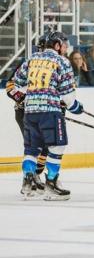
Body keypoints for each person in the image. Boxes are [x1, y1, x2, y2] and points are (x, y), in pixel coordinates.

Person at [12, 31, 84, 200]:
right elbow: (67, 98)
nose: (65, 48)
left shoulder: (32, 59)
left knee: (31, 149)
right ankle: (51, 184)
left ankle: (27, 183)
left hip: (29, 111)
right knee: (57, 147)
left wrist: (34, 93)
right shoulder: (62, 62)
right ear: (57, 45)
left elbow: (17, 84)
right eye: (64, 45)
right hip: (50, 112)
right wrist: (76, 107)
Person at [5, 33, 49, 196]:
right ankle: (28, 178)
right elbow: (10, 86)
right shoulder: (28, 64)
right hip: (25, 111)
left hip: (44, 111)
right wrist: (22, 98)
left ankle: (35, 175)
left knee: (46, 145)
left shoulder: (54, 65)